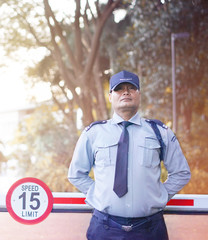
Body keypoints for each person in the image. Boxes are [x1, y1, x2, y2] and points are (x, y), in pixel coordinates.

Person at [68, 70, 191, 240]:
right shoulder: (93, 133)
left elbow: (181, 173)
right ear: (110, 96)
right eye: (119, 89)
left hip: (149, 229)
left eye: (131, 88)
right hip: (104, 227)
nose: (126, 92)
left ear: (139, 94)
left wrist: (159, 195)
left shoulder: (159, 132)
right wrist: (99, 194)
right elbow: (76, 174)